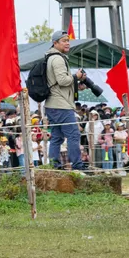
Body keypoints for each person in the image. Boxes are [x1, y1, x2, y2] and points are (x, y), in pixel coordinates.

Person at [43, 31, 87, 170]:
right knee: (74, 134)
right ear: (55, 43)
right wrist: (76, 76)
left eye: (68, 40)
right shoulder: (57, 59)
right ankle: (78, 166)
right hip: (61, 105)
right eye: (64, 40)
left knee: (57, 137)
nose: (67, 43)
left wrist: (75, 85)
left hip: (53, 104)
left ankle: (54, 165)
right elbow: (62, 81)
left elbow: (59, 82)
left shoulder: (52, 57)